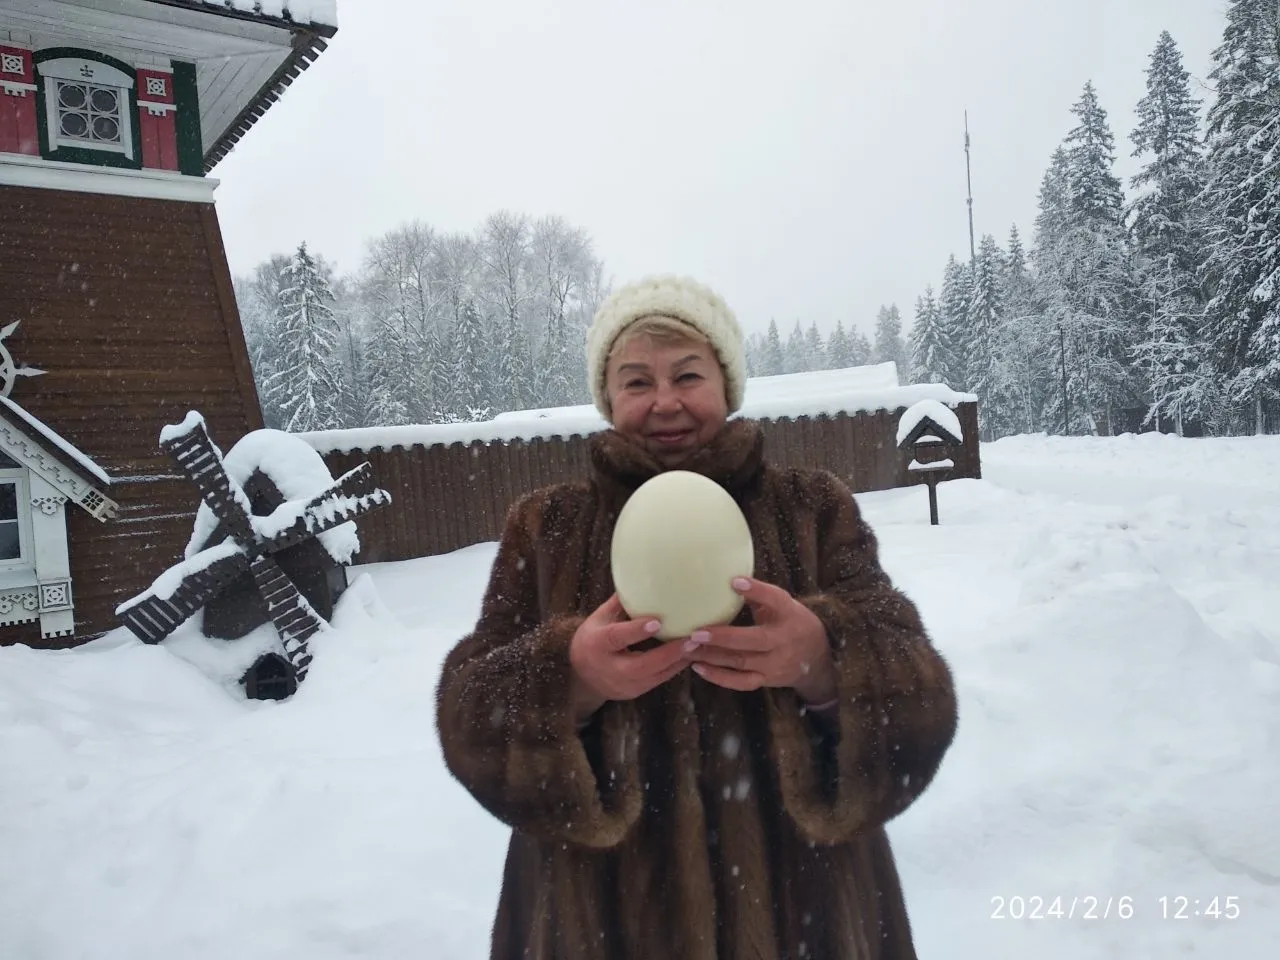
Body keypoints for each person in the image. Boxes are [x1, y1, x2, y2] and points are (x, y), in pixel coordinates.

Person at [435, 275, 958, 959]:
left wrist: (825, 661)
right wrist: (569, 678)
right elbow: (469, 719)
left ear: (726, 383)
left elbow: (921, 704)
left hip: (811, 918)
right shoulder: (548, 527)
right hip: (596, 924)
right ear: (607, 398)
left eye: (688, 374)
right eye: (636, 382)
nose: (666, 403)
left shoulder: (811, 510)